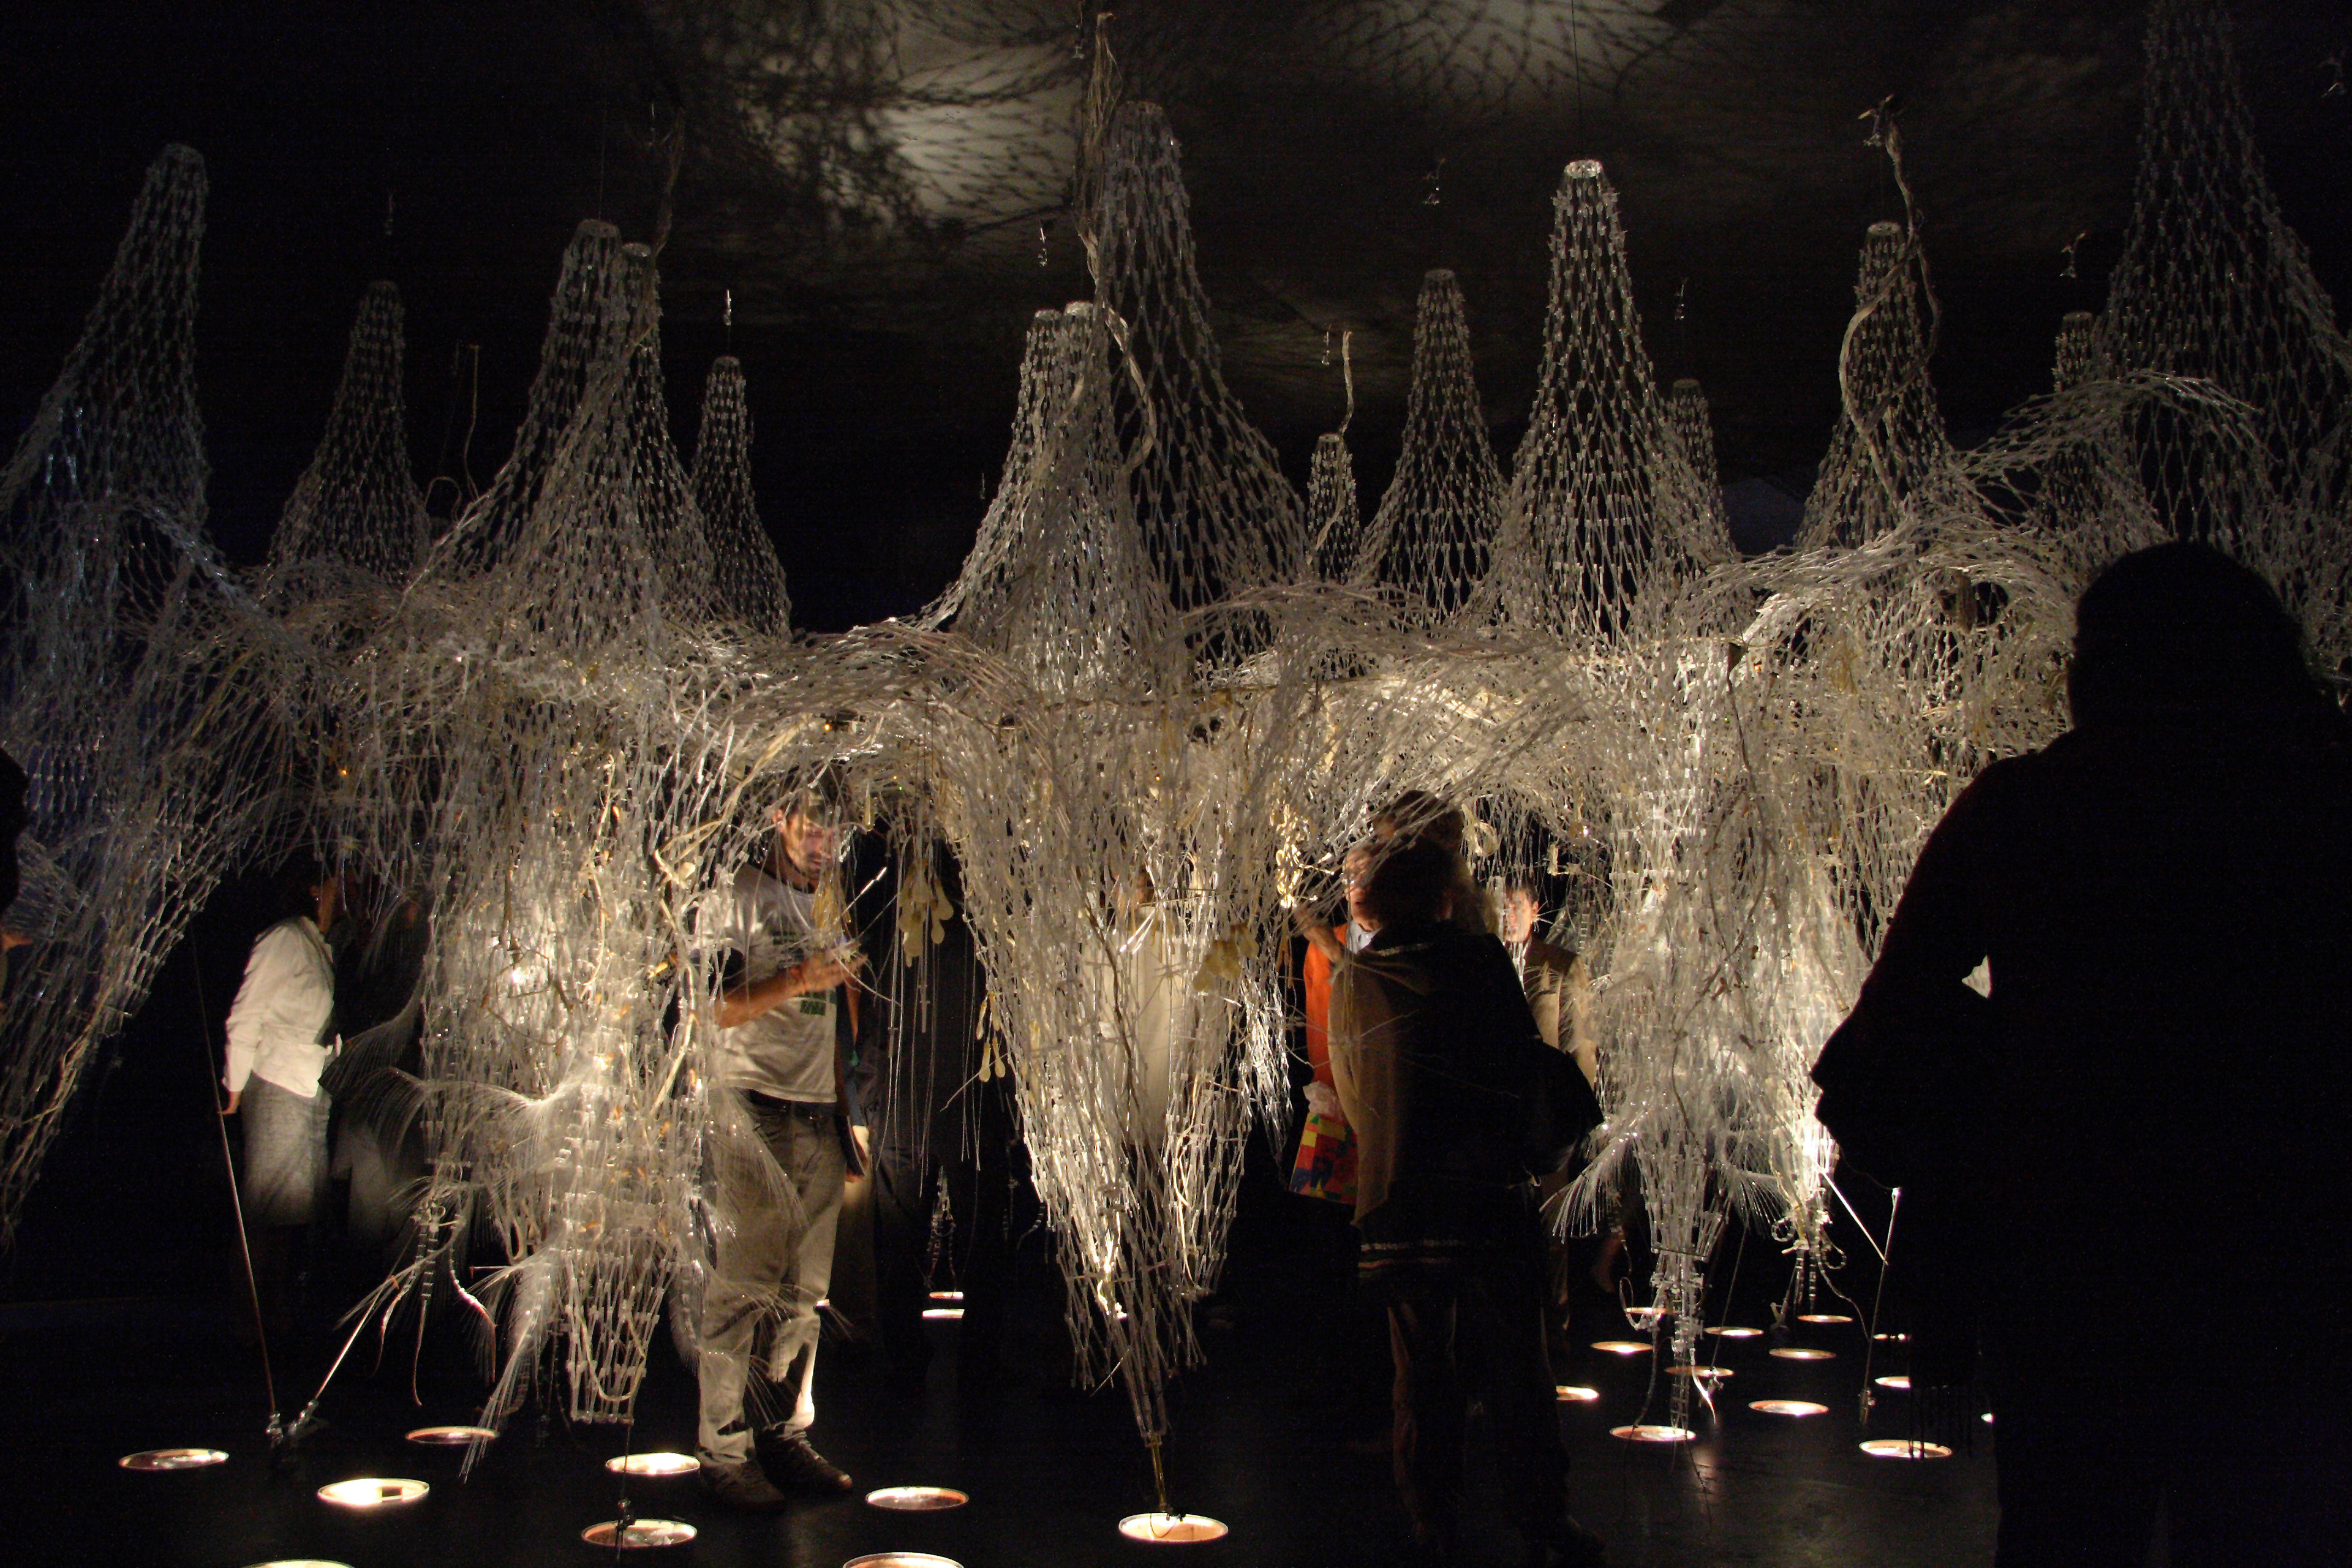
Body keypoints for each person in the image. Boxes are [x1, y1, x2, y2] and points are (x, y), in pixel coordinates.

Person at [1813, 542, 2352, 1567]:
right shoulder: (2317, 809)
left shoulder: (2027, 810)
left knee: (2069, 1523)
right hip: (2283, 1253)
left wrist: (2015, 1079)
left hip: (2075, 1246)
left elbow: (1899, 1007)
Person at [1329, 839, 1607, 1568]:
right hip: (1485, 1199)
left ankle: (1431, 1520)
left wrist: (1393, 1148)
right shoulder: (1479, 963)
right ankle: (1543, 1517)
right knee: (1519, 1366)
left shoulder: (1358, 976)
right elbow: (1520, 1066)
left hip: (1403, 1206)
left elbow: (1356, 1091)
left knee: (1421, 1373)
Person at [695, 786, 869, 1509]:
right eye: (810, 825)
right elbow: (714, 1007)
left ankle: (783, 1436)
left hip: (815, 1112)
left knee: (804, 1293)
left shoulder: (830, 903)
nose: (821, 841)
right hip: (751, 1107)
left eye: (833, 830)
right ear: (778, 819)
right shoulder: (737, 897)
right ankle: (723, 1447)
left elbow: (838, 1016)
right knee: (743, 1286)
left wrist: (846, 1112)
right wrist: (798, 976)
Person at [220, 852, 341, 1342]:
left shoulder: (320, 947)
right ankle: (249, 1315)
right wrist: (234, 1084)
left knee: (293, 1211)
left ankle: (273, 1311)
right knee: (269, 1208)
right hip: (277, 1082)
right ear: (316, 889)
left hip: (309, 1086)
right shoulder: (285, 939)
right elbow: (246, 1013)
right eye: (335, 885)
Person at [1496, 875, 1594, 1085]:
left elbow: (1581, 1047)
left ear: (1534, 911)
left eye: (1517, 906)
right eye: (1504, 907)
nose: (1509, 915)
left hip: (1542, 1094)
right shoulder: (1482, 963)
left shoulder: (1560, 965)